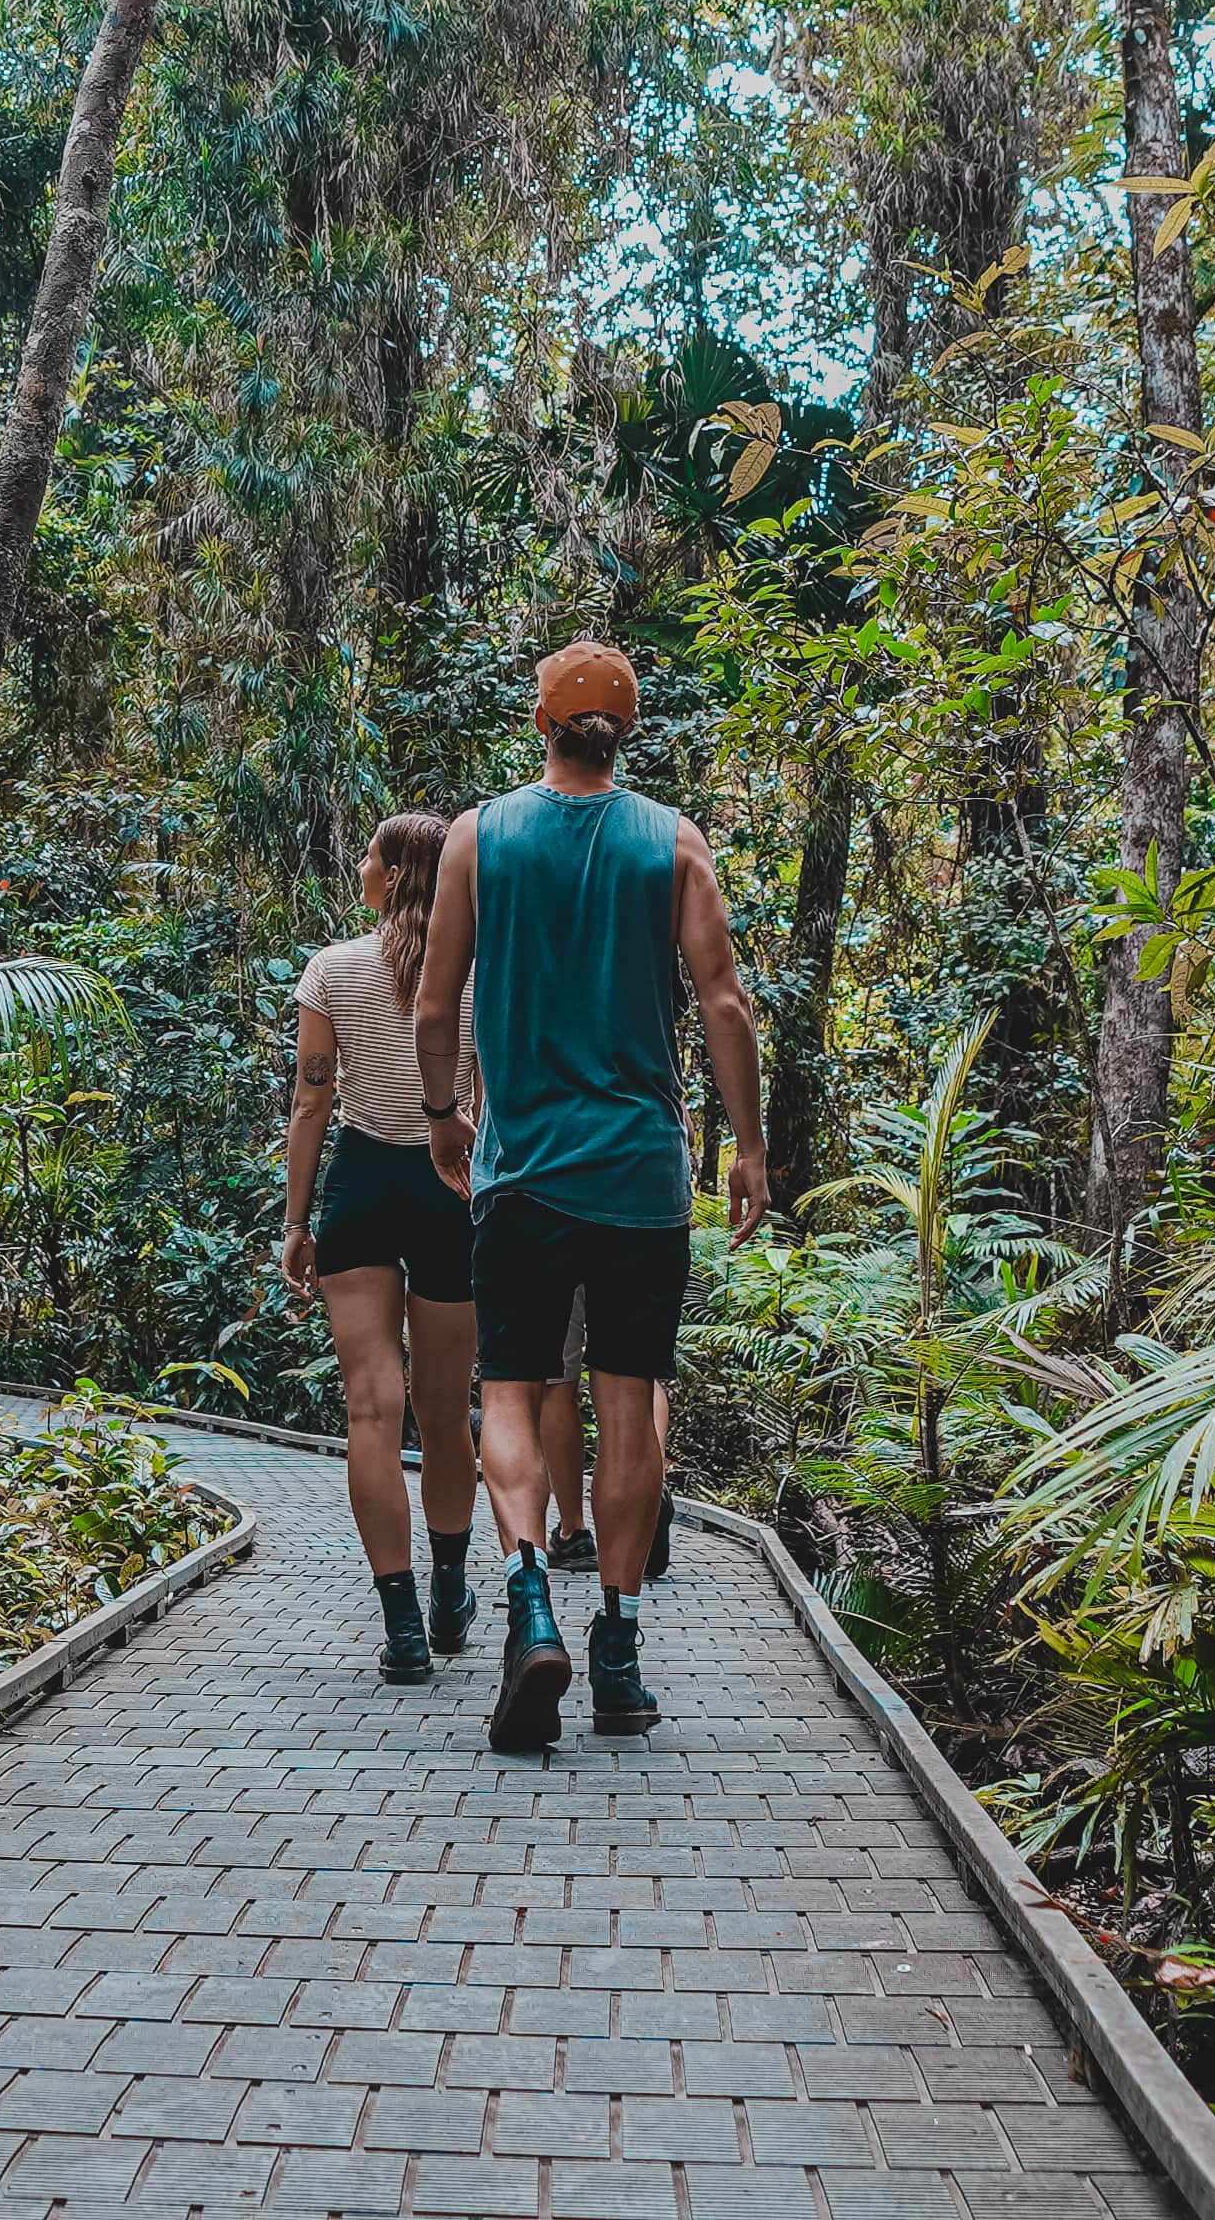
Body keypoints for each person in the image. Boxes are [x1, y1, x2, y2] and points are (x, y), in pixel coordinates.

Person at [413, 637, 765, 1754]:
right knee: (629, 1401)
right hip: (640, 1176)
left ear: (538, 725)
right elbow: (725, 1004)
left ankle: (527, 1594)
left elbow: (433, 1006)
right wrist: (748, 1147)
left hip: (521, 1173)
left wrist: (442, 1117)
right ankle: (615, 1647)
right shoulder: (674, 842)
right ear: (629, 730)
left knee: (510, 1392)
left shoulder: (479, 836)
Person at [276, 809, 480, 1680]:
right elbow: (491, 1096)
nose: (358, 866)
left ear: (392, 875)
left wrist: (295, 1220)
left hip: (360, 1190)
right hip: (449, 1189)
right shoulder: (477, 973)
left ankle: (400, 1626)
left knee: (370, 1410)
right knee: (443, 1412)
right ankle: (448, 1590)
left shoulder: (332, 970)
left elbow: (311, 1102)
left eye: (368, 856)